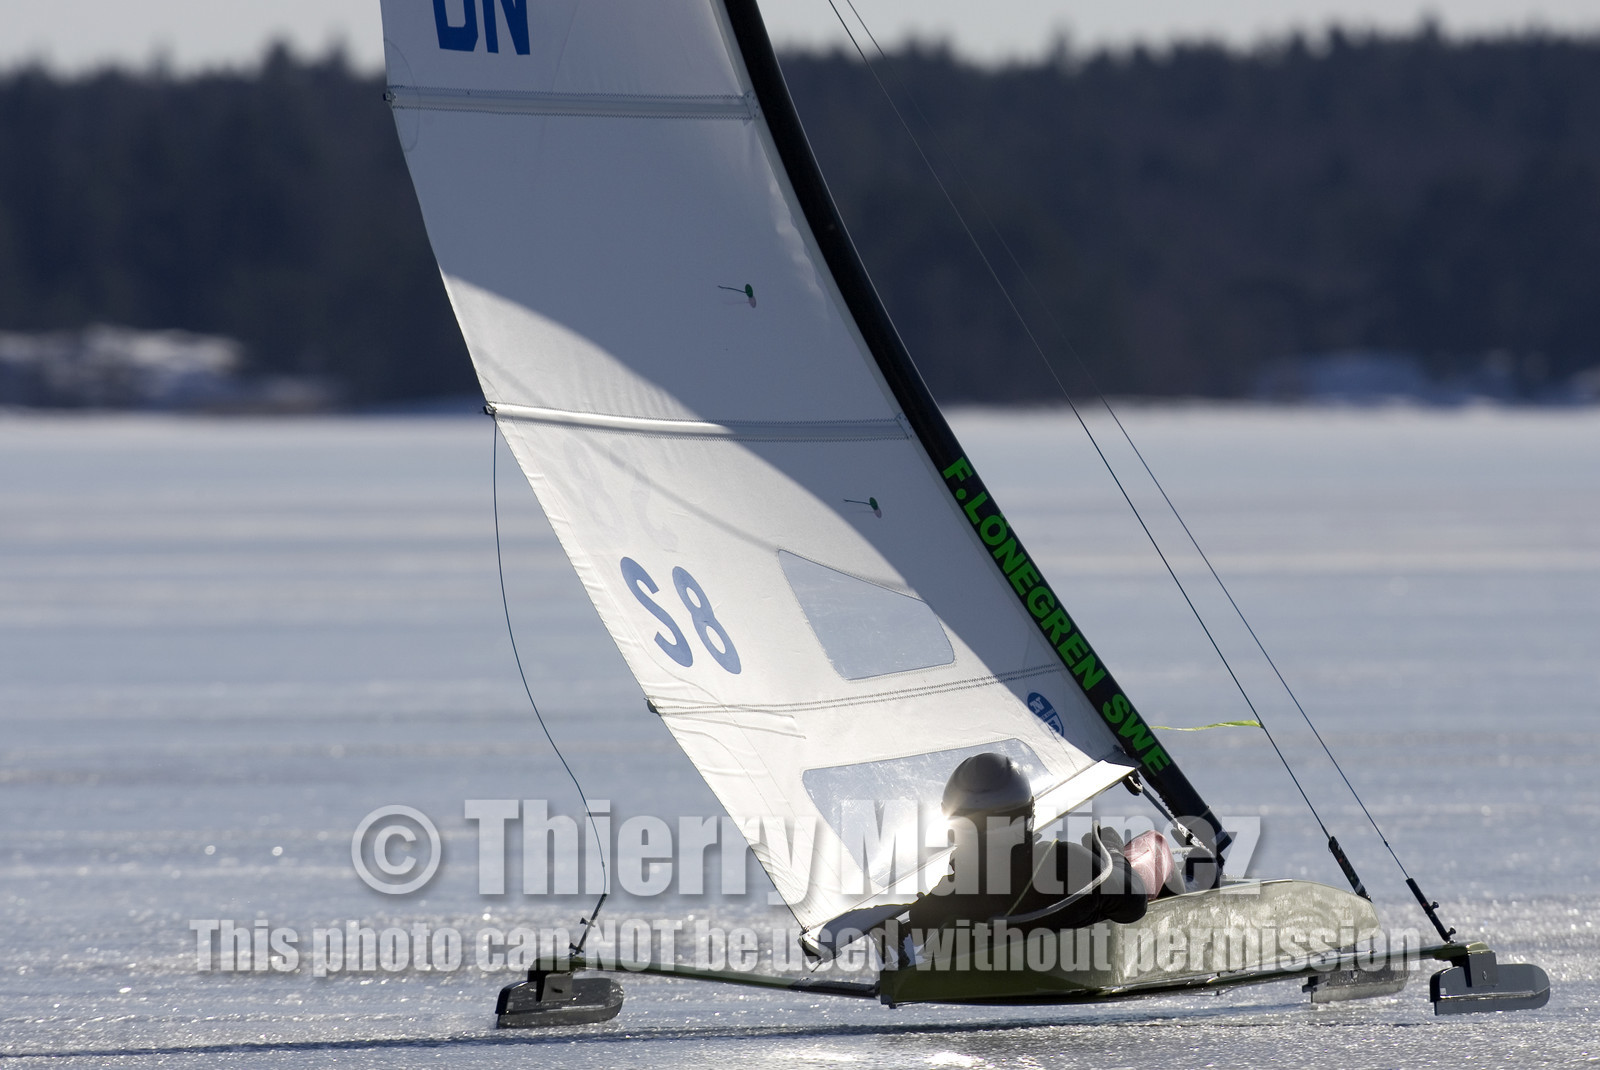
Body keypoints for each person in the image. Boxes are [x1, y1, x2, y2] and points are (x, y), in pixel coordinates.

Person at [906, 752, 1149, 941]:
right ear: (1027, 815)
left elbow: (912, 923)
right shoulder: (1065, 863)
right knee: (1153, 844)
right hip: (1105, 920)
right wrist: (1112, 850)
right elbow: (1134, 904)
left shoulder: (945, 900)